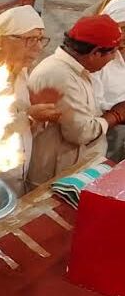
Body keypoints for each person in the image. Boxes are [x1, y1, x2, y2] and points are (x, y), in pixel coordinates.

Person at [28, 15, 125, 187]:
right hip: (55, 178)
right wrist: (116, 116)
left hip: (73, 170)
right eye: (112, 52)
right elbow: (80, 133)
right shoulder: (61, 75)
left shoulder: (78, 70)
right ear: (95, 53)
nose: (113, 58)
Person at [0, 6, 58, 195]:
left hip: (15, 177)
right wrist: (29, 116)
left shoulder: (21, 72)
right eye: (30, 40)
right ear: (2, 39)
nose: (39, 47)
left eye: (41, 39)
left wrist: (36, 115)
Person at [90, 0, 125, 160]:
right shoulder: (97, 60)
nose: (122, 36)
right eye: (122, 28)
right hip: (99, 141)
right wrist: (117, 114)